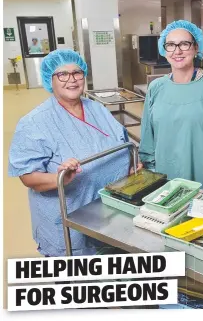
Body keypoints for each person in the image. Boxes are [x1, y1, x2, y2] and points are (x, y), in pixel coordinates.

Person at [8, 49, 132, 257]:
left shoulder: (97, 109)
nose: (71, 80)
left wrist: (130, 164)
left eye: (77, 73)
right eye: (62, 74)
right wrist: (60, 177)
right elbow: (28, 176)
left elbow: (120, 141)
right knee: (78, 283)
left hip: (110, 215)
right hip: (69, 223)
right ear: (50, 79)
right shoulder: (34, 123)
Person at [138, 20, 203, 196]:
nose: (177, 51)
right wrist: (150, 172)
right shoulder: (156, 88)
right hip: (164, 180)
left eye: (184, 44)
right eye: (171, 45)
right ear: (164, 50)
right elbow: (148, 138)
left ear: (196, 48)